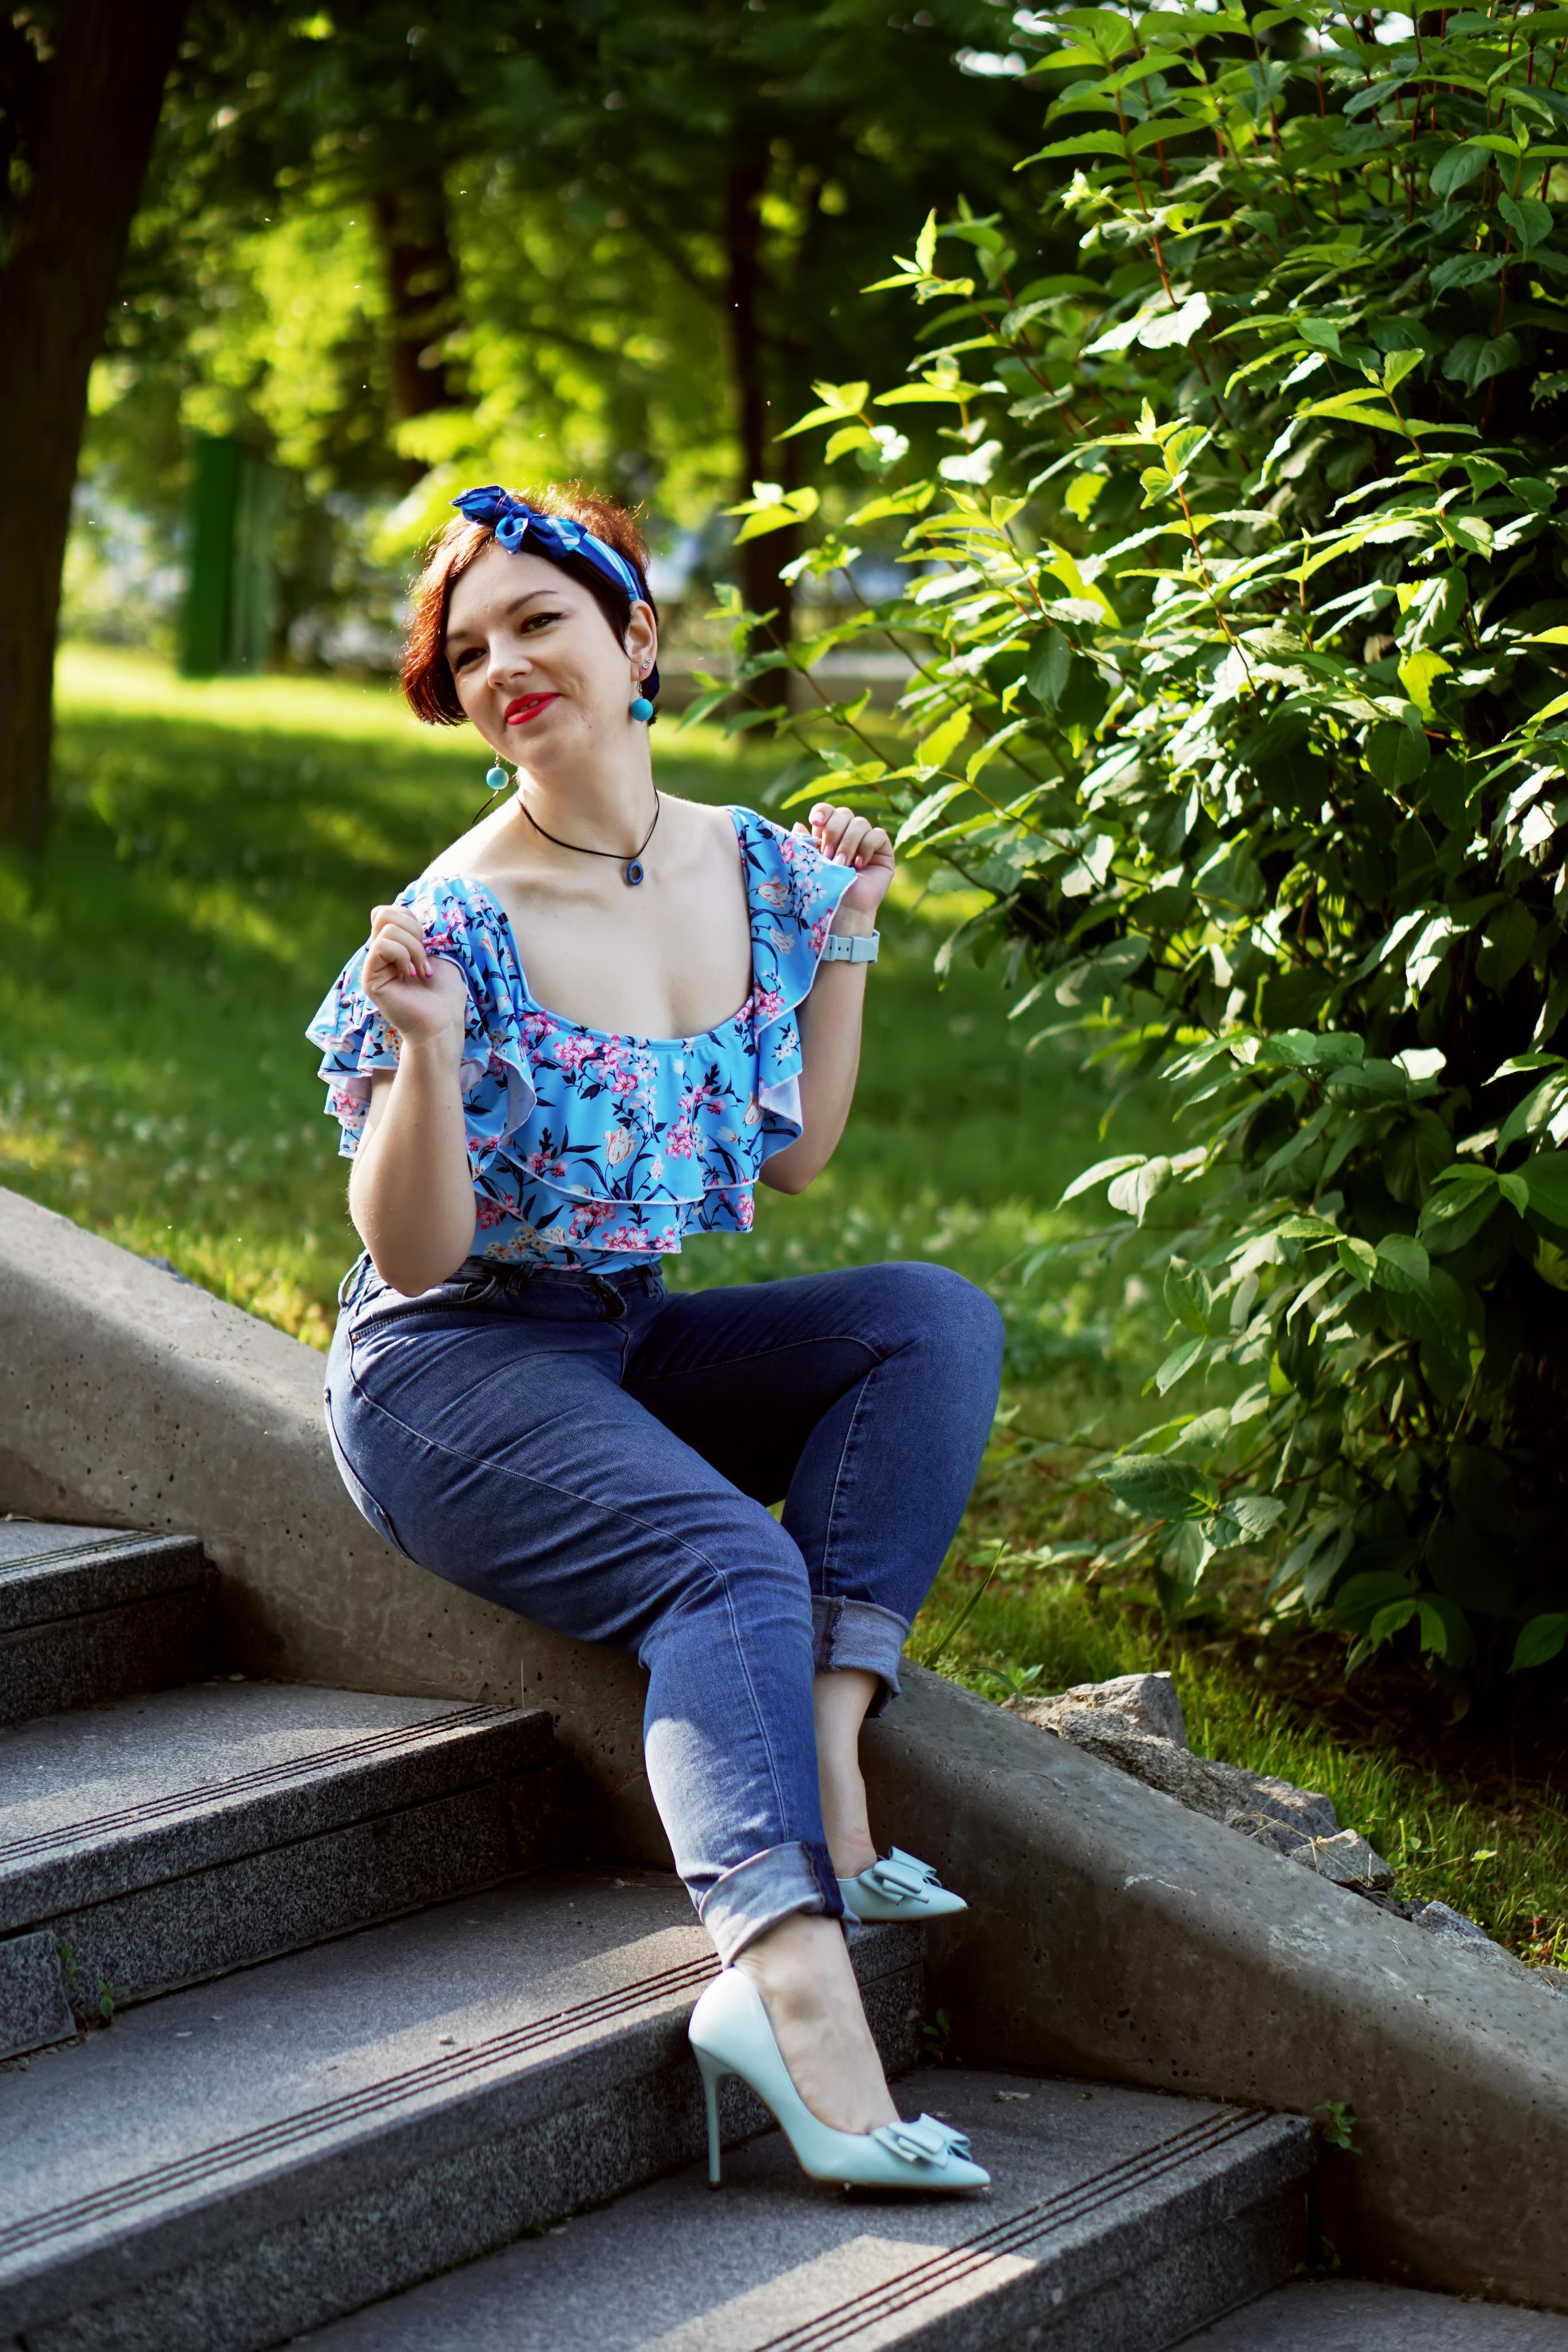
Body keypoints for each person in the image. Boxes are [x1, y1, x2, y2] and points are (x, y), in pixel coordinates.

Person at [307, 482, 1003, 2195]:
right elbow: (410, 1247)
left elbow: (797, 1152)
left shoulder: (753, 863)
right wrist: (428, 1055)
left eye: (540, 622)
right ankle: (787, 1986)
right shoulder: (456, 922)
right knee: (724, 1571)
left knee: (928, 1319)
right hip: (450, 1371)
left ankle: (831, 1745)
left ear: (636, 637)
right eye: (469, 652)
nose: (505, 667)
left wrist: (848, 946)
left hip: (620, 1332)